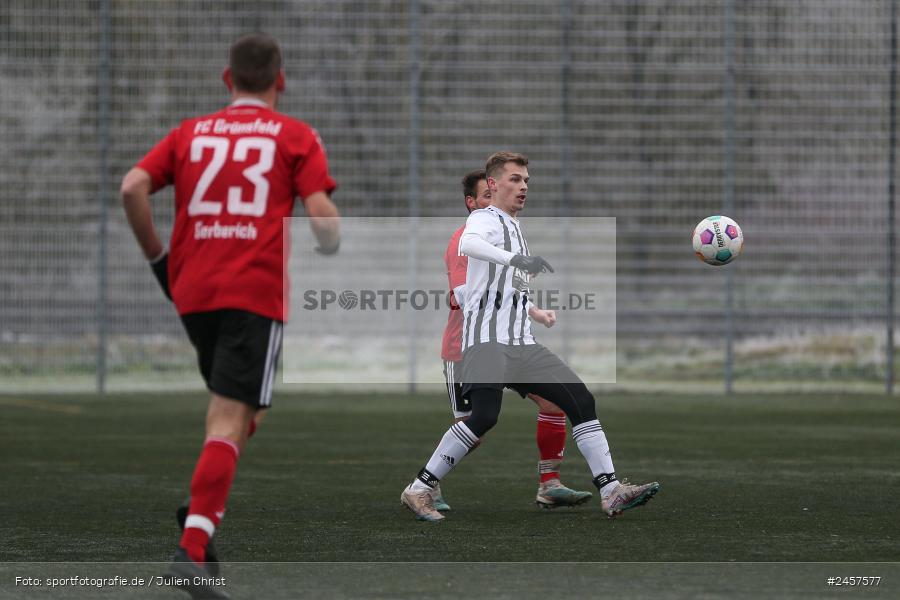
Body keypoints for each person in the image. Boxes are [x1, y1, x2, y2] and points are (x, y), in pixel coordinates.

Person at [121, 33, 339, 598]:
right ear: (280, 80)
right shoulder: (295, 136)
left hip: (192, 290)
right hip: (252, 293)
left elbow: (133, 187)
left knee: (239, 411)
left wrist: (158, 261)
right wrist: (330, 236)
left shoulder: (189, 133)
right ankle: (192, 550)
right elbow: (321, 217)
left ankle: (200, 507)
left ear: (227, 79)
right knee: (228, 420)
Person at [402, 152, 658, 522]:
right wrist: (516, 261)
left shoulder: (514, 226)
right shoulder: (484, 218)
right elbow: (468, 246)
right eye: (514, 179)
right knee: (484, 417)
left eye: (526, 180)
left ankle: (611, 490)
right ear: (492, 184)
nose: (523, 186)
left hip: (521, 344)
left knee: (580, 400)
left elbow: (505, 286)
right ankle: (420, 488)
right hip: (486, 341)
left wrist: (532, 308)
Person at [433, 169, 592, 513]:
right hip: (467, 345)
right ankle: (428, 483)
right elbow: (464, 293)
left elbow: (507, 286)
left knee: (554, 403)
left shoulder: (503, 236)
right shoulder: (465, 241)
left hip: (510, 342)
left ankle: (549, 485)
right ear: (471, 203)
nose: (494, 203)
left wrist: (533, 311)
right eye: (486, 197)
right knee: (474, 425)